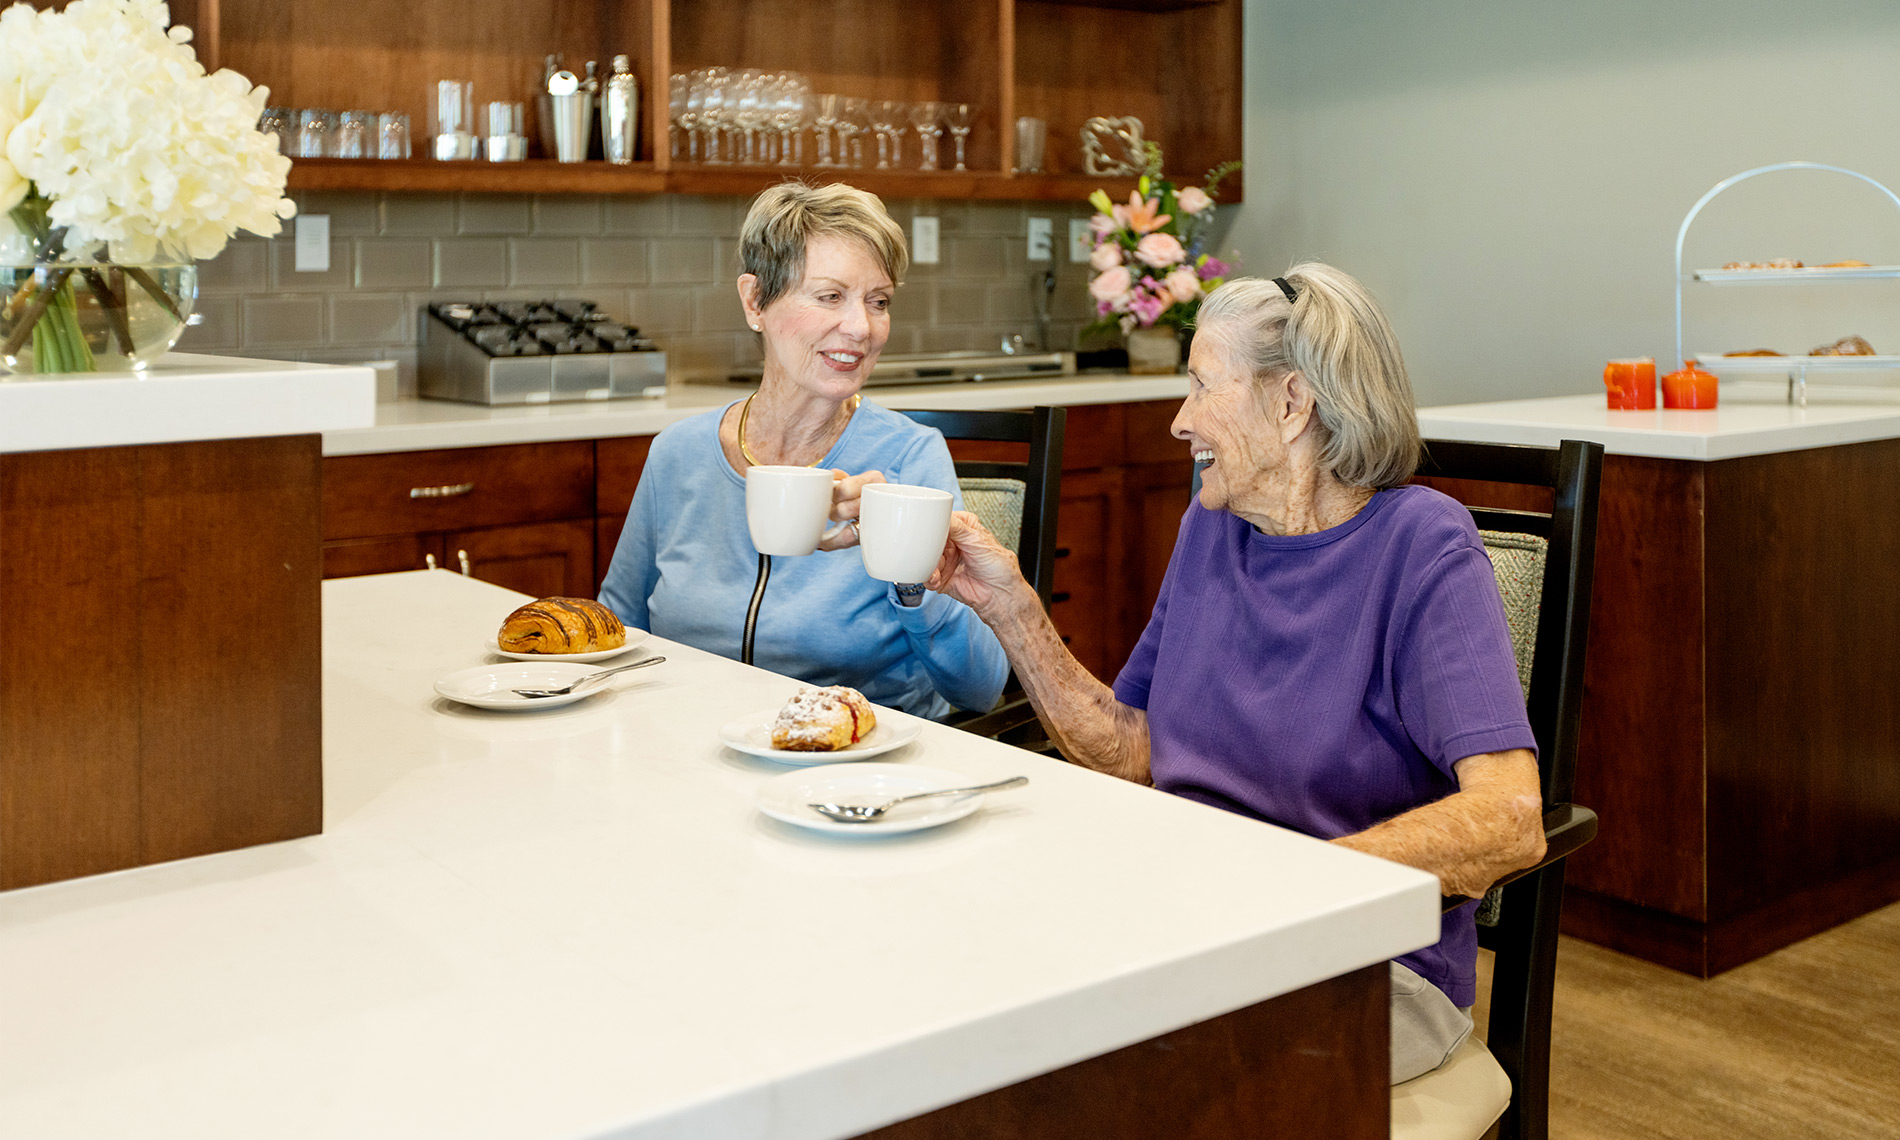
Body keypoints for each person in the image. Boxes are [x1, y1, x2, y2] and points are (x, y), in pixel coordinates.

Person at [923, 265, 1547, 1083]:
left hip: (1364, 968)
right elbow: (1131, 749)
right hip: (1189, 923)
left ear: (1292, 404)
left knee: (1111, 1071)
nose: (1180, 422)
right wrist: (1006, 605)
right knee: (963, 987)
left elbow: (1511, 816)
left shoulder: (1424, 547)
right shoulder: (1215, 525)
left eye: (1200, 386)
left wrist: (1292, 894)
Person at [599, 183, 1007, 720]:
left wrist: (911, 571)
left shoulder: (910, 456)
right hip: (690, 746)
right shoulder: (679, 454)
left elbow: (981, 689)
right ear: (754, 301)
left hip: (859, 765)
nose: (861, 327)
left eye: (878, 301)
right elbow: (617, 631)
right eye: (830, 296)